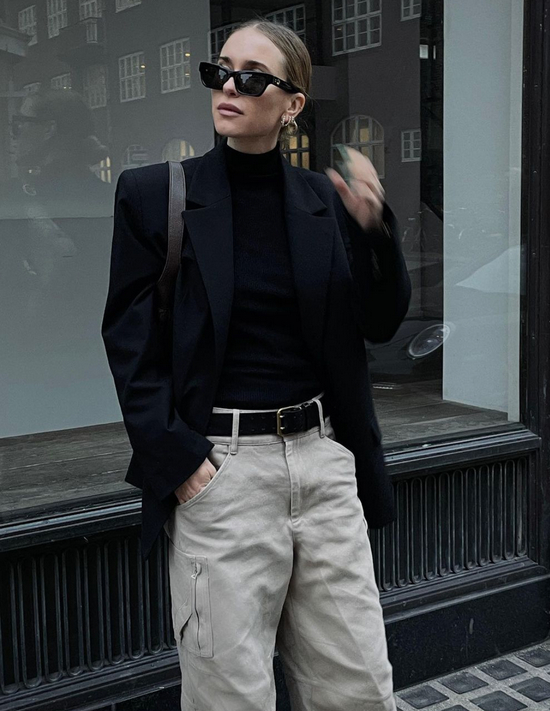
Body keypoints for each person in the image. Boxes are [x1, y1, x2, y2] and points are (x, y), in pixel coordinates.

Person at [101, 18, 411, 711]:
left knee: (358, 687)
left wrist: (375, 230)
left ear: (292, 102)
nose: (229, 87)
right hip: (222, 472)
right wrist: (183, 463)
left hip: (323, 464)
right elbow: (129, 342)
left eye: (251, 77)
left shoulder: (322, 200)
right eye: (220, 71)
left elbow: (378, 322)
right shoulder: (155, 196)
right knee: (230, 695)